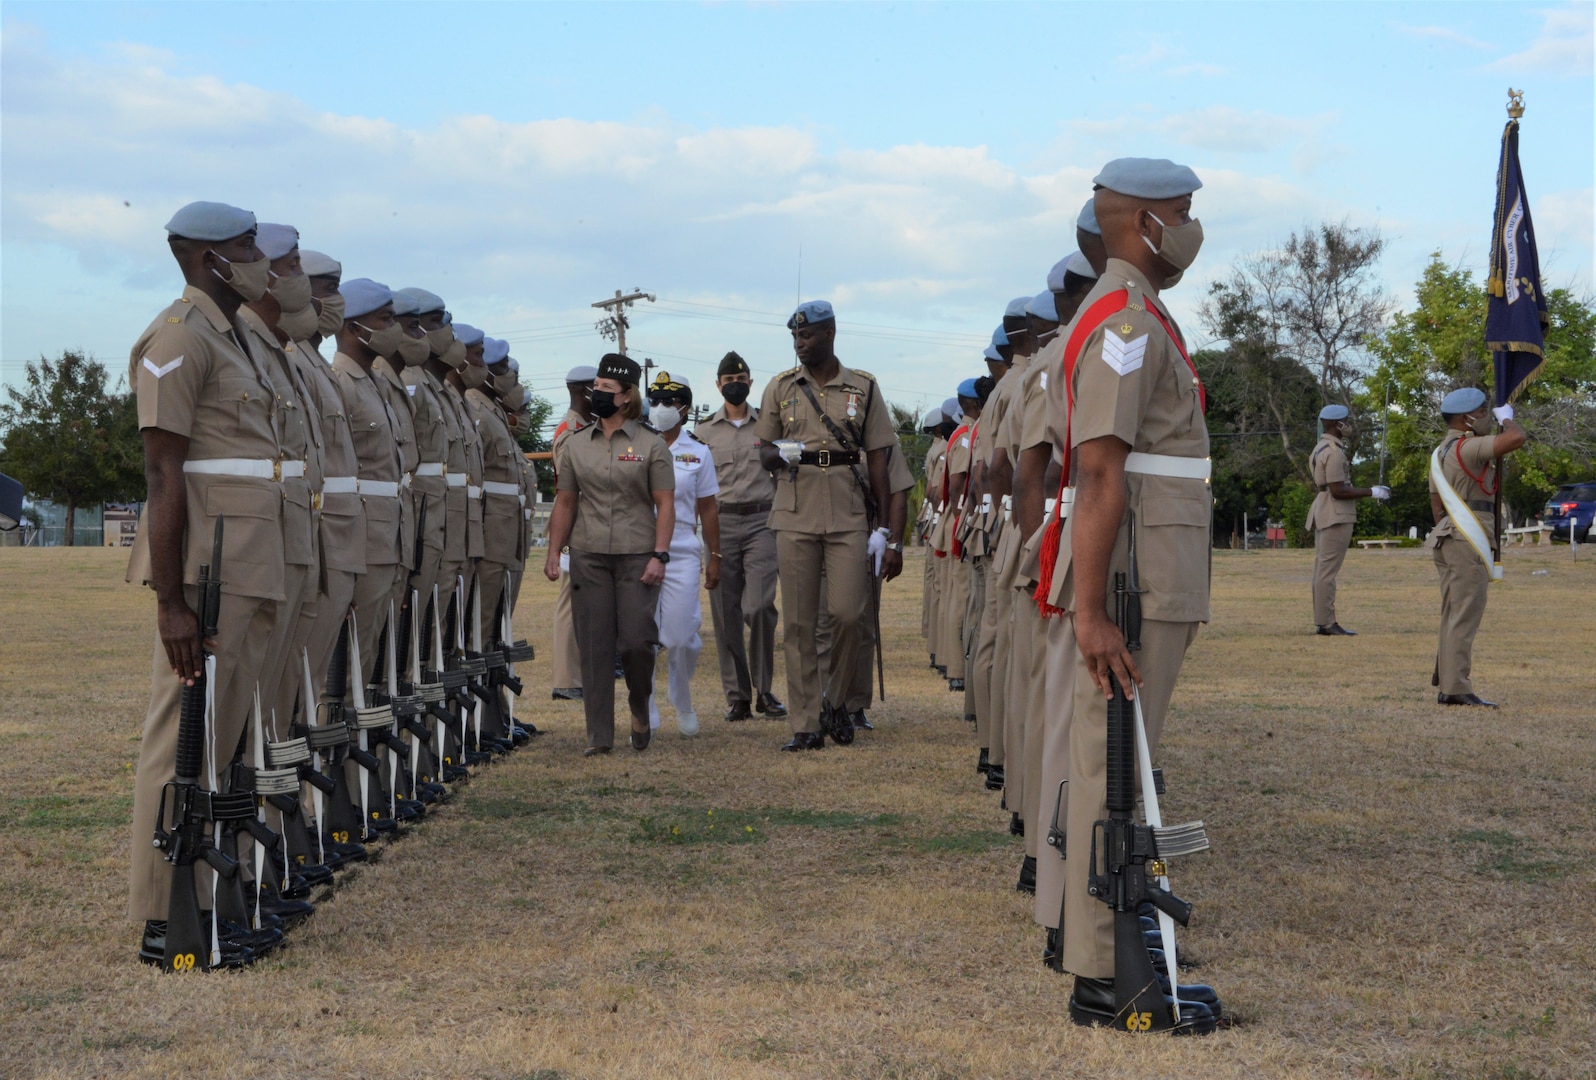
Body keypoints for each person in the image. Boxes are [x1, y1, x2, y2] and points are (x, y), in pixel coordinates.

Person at [1038, 158, 1223, 1031]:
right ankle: (1110, 975)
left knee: (1124, 768)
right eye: (1181, 212)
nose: (1190, 226)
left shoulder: (1139, 314)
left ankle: (1113, 960)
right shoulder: (1123, 321)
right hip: (1135, 570)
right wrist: (1090, 608)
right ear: (1142, 222)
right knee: (1111, 768)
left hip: (1149, 559)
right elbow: (1102, 467)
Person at [125, 201, 285, 965]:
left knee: (226, 736)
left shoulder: (241, 340)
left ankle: (213, 900)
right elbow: (163, 471)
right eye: (246, 245)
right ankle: (165, 913)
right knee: (183, 736)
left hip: (253, 555)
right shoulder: (179, 339)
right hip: (206, 567)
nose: (259, 255)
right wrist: (170, 599)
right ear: (206, 256)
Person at [754, 300, 901, 750]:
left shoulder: (864, 388)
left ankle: (835, 700)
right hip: (795, 508)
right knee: (798, 623)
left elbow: (879, 459)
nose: (799, 345)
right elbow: (761, 453)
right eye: (794, 337)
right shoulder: (780, 388)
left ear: (830, 333)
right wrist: (782, 453)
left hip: (848, 510)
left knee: (848, 614)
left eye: (807, 336)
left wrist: (885, 529)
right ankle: (805, 724)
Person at [542, 354, 675, 755]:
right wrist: (553, 552)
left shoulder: (651, 444)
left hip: (637, 557)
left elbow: (665, 504)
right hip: (589, 556)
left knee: (636, 642)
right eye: (595, 386)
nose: (596, 393)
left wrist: (660, 555)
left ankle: (638, 705)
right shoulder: (577, 445)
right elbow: (565, 502)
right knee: (595, 648)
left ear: (626, 397)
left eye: (605, 389)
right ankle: (599, 738)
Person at [694, 351, 785, 722]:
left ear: (751, 382)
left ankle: (764, 689)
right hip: (720, 524)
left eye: (742, 379)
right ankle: (738, 696)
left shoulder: (769, 426)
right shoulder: (703, 432)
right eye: (728, 381)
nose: (735, 385)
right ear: (718, 385)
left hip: (763, 522)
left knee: (759, 607)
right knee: (725, 613)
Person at [1428, 387, 1526, 707]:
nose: (1486, 418)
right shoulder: (1467, 447)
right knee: (1465, 613)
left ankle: (1448, 680)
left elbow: (1435, 501)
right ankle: (1456, 687)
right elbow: (1515, 439)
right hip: (1467, 534)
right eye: (1483, 413)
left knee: (1452, 612)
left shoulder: (1440, 451)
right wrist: (1508, 420)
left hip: (1447, 533)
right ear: (1465, 418)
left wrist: (1448, 524)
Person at [331, 280, 408, 685]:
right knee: (346, 664)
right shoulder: (339, 382)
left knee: (370, 655)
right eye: (385, 319)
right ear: (352, 326)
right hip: (360, 541)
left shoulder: (375, 384)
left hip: (386, 537)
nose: (393, 328)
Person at [643, 372, 722, 736]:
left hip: (683, 550)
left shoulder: (698, 452)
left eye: (668, 403)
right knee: (641, 632)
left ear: (685, 409)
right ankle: (645, 700)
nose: (660, 409)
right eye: (654, 401)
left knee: (678, 635)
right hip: (640, 548)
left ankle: (681, 694)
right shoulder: (637, 445)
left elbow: (708, 508)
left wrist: (715, 556)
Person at [1306, 404, 1390, 635]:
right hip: (1335, 513)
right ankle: (1326, 622)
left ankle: (1323, 620)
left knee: (1322, 569)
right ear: (1336, 424)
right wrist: (1372, 492)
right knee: (1327, 571)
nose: (1348, 425)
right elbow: (1338, 490)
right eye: (1345, 421)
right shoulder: (1334, 451)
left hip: (1324, 509)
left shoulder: (1320, 447)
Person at [549, 365, 596, 701]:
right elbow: (570, 490)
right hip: (576, 527)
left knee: (582, 603)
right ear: (584, 392)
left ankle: (576, 675)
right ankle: (566, 679)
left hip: (586, 528)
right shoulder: (571, 432)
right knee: (570, 603)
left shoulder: (584, 427)